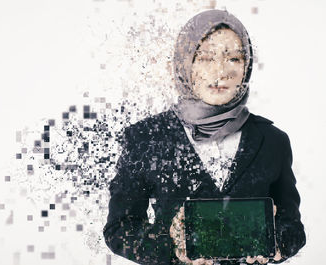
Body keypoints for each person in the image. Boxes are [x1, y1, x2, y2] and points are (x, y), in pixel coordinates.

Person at [103, 10, 306, 265]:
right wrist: (172, 246)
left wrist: (277, 241)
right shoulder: (146, 138)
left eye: (233, 58)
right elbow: (119, 229)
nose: (220, 71)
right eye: (206, 58)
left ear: (247, 66)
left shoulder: (272, 140)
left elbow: (293, 227)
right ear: (185, 63)